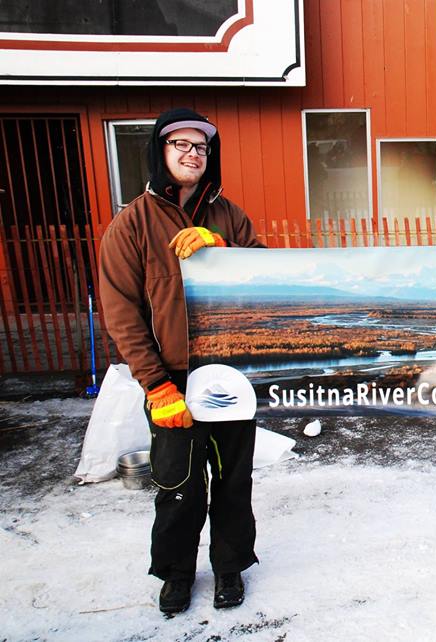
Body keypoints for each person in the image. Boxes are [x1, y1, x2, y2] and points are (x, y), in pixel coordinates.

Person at [99, 108, 266, 615]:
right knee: (178, 485)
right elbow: (121, 313)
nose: (193, 154)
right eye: (182, 145)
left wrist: (223, 250)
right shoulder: (132, 224)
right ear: (161, 152)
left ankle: (230, 566)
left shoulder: (229, 216)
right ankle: (175, 573)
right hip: (172, 379)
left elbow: (264, 274)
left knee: (233, 481)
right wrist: (157, 386)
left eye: (201, 147)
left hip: (232, 373)